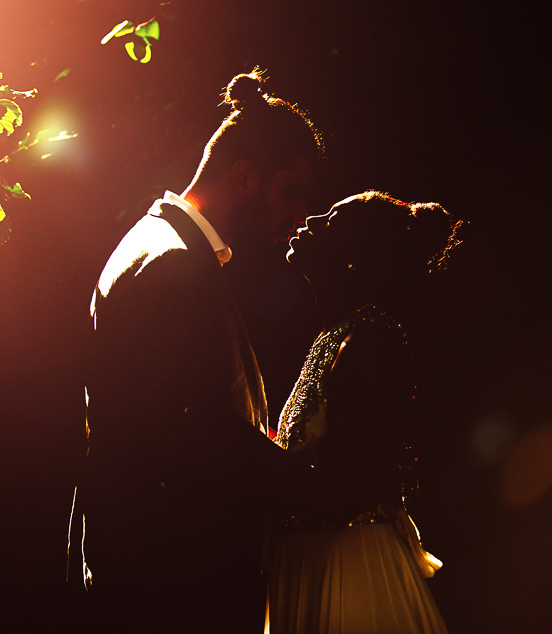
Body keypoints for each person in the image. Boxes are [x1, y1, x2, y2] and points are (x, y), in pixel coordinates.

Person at [71, 69, 323, 632]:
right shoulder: (173, 264)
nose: (298, 217)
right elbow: (192, 430)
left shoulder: (157, 243)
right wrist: (312, 485)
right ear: (244, 178)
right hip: (173, 586)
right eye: (293, 194)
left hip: (156, 576)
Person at [264, 191, 460, 633]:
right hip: (319, 565)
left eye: (331, 220)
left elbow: (342, 492)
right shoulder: (338, 336)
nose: (310, 217)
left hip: (350, 572)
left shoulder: (370, 343)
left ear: (355, 258)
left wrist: (242, 448)